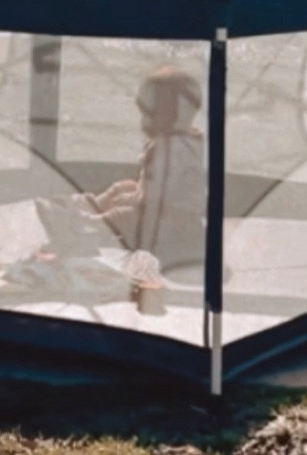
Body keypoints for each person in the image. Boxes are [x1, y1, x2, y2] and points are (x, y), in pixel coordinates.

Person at [32, 64, 205, 310]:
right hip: (179, 215)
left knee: (125, 215)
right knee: (124, 188)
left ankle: (86, 224)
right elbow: (157, 190)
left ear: (171, 114)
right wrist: (130, 195)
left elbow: (151, 202)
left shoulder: (165, 149)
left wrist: (128, 205)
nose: (143, 120)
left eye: (149, 113)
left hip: (169, 227)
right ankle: (91, 204)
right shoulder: (192, 138)